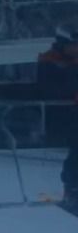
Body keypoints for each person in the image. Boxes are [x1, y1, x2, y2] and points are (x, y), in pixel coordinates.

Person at [37, 26, 78, 204]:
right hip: (60, 114)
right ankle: (73, 188)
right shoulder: (50, 62)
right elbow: (55, 90)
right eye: (74, 45)